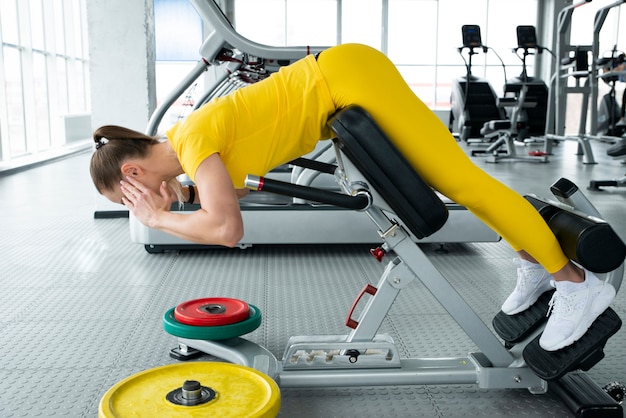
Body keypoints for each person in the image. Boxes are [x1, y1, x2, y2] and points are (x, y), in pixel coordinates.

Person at [90, 43, 615, 352]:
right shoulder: (188, 143)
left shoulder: (192, 139)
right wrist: (168, 204)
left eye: (127, 196)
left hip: (347, 76)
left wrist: (157, 218)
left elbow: (228, 231)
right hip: (339, 78)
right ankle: (535, 256)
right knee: (451, 181)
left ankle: (575, 283)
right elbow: (211, 208)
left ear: (132, 171)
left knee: (459, 181)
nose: (136, 204)